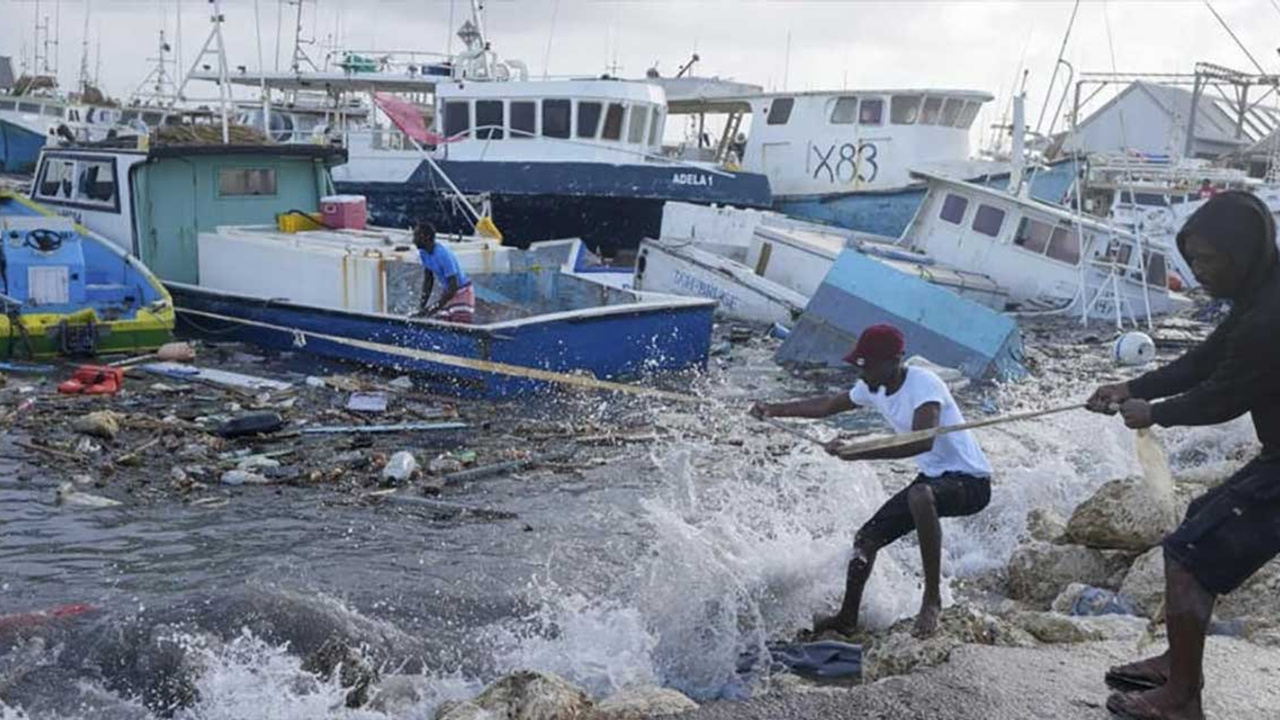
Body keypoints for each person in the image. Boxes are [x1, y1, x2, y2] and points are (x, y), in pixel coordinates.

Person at [1087, 190, 1280, 720]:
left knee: (1189, 555)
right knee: (1200, 521)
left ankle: (1182, 699)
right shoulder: (1261, 293)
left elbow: (1222, 396)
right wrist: (1131, 385)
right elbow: (1205, 360)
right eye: (1191, 261)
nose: (1197, 273)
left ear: (1241, 252)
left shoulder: (1269, 317)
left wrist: (1154, 413)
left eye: (1207, 261)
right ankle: (1179, 663)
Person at [751, 324, 993, 638]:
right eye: (860, 367)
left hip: (971, 483)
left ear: (896, 361)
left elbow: (922, 442)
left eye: (869, 367)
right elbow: (827, 405)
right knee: (865, 540)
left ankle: (931, 600)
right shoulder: (872, 387)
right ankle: (847, 617)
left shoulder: (925, 385)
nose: (862, 375)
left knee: (920, 495)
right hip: (935, 480)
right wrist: (772, 409)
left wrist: (859, 451)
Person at [412, 221, 475, 323]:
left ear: (426, 237)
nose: (413, 241)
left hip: (462, 291)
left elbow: (453, 286)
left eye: (416, 236)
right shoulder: (423, 253)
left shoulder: (443, 255)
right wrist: (422, 307)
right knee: (439, 323)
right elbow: (428, 281)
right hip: (448, 292)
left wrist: (434, 308)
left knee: (460, 325)